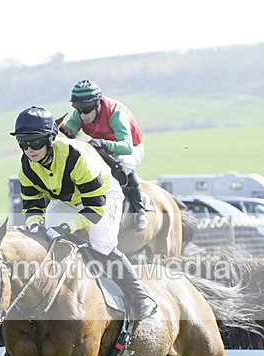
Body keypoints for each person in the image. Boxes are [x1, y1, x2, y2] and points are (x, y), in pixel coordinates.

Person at [11, 105, 156, 320]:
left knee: (102, 245)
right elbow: (32, 204)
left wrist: (67, 226)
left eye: (35, 141)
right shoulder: (27, 165)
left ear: (51, 138)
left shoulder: (75, 156)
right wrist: (34, 224)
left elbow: (95, 208)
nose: (29, 149)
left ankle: (140, 295)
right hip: (67, 200)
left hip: (103, 197)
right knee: (44, 237)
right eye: (23, 143)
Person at [62, 80, 150, 231]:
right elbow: (66, 135)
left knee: (123, 165)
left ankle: (139, 209)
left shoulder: (115, 113)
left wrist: (103, 143)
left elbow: (127, 147)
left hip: (130, 147)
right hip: (103, 148)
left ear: (98, 103)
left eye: (87, 109)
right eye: (78, 109)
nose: (83, 115)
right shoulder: (79, 115)